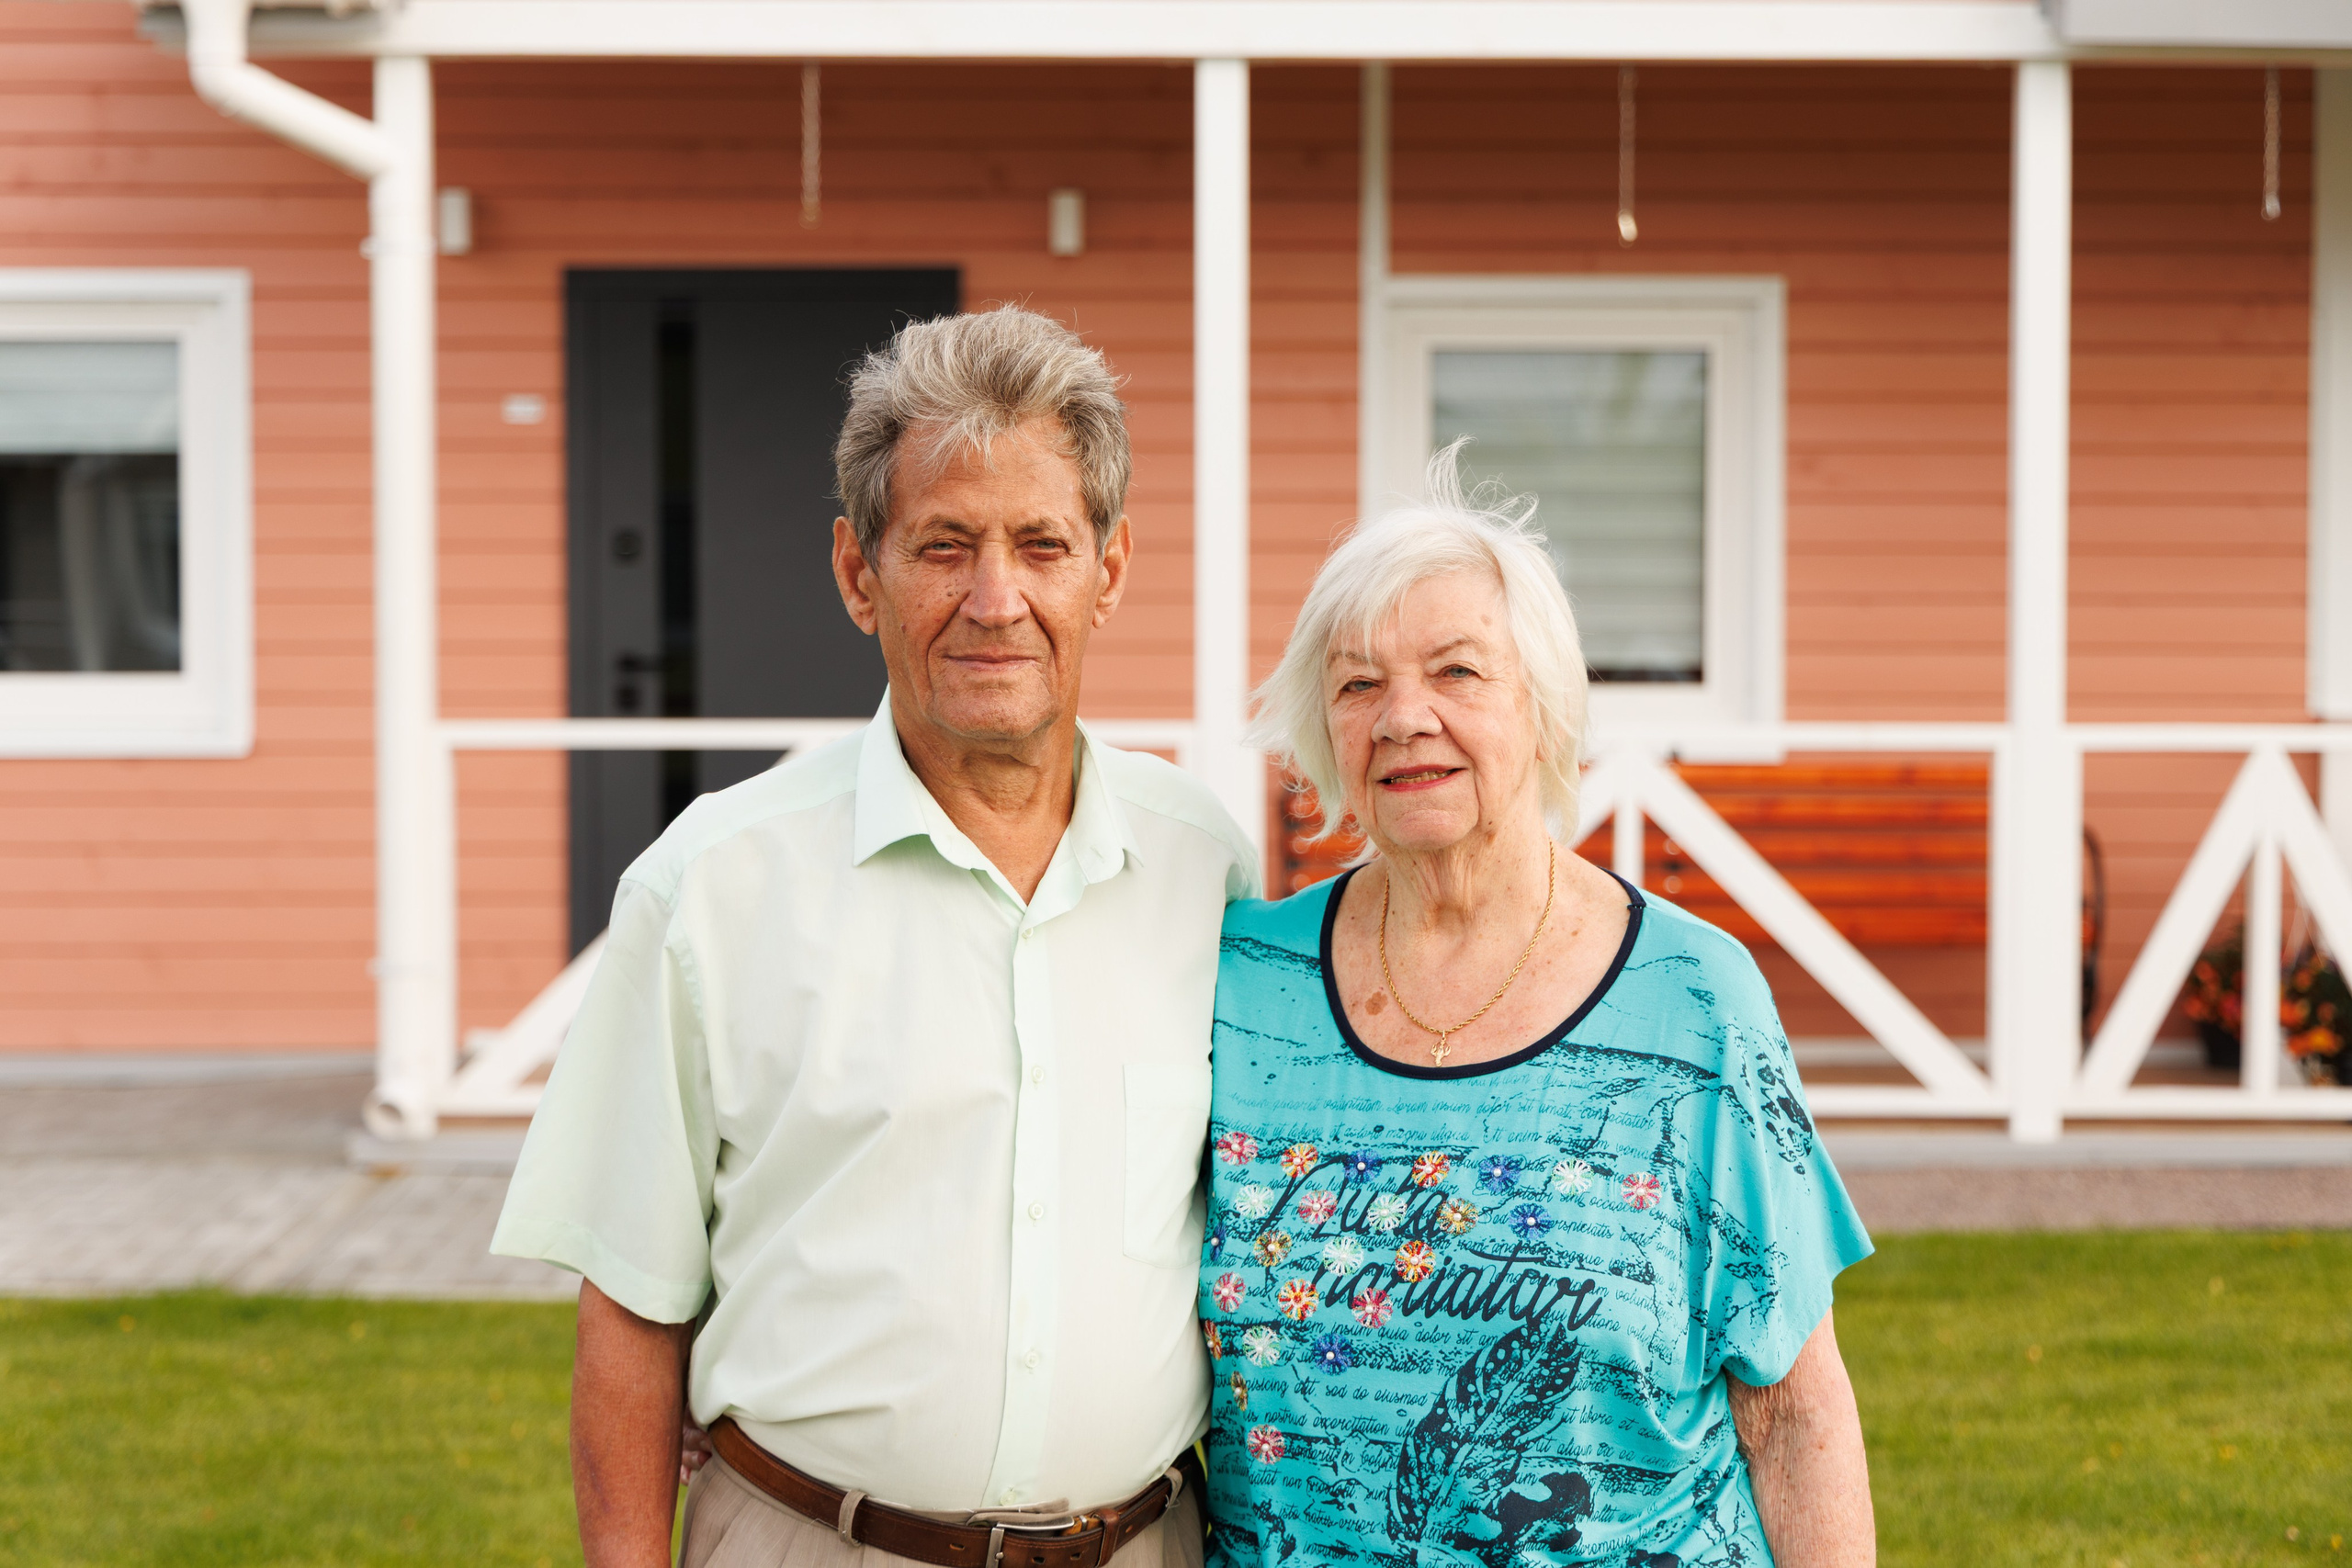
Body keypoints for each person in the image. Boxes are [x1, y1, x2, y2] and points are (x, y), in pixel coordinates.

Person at [492, 307, 1256, 1568]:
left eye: (1042, 545)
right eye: (944, 546)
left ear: (1109, 571)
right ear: (860, 573)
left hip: (1143, 1544)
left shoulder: (1205, 867)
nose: (995, 600)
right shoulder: (710, 885)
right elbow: (628, 1307)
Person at [1197, 454, 1877, 1568]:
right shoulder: (1240, 986)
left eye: (1457, 672)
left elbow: (1793, 1416)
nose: (1402, 717)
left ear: (1545, 705)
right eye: (1358, 685)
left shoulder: (1693, 1002)